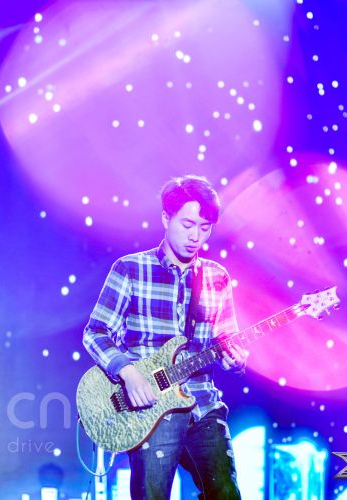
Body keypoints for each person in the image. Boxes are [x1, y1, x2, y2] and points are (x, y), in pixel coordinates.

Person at [82, 175, 248, 499]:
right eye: (187, 224)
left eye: (205, 227)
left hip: (203, 403)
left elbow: (227, 338)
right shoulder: (130, 269)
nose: (195, 236)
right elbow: (96, 332)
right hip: (152, 409)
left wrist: (236, 358)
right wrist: (128, 372)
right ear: (165, 218)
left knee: (227, 494)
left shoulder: (217, 277)